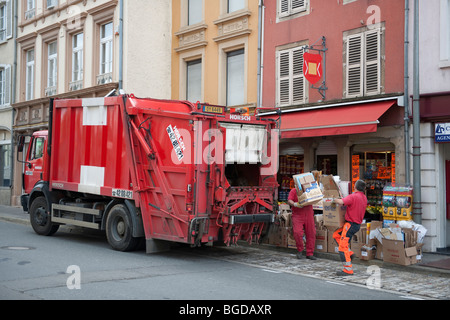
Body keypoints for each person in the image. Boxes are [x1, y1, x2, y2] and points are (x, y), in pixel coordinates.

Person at [332, 179, 368, 276]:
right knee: (336, 235)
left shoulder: (353, 196)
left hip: (350, 225)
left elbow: (341, 202)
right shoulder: (364, 197)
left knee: (342, 247)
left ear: (355, 187)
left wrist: (333, 199)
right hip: (355, 225)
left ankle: (348, 270)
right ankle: (350, 254)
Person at [288, 188, 317, 260]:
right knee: (297, 232)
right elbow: (289, 200)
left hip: (309, 214)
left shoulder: (309, 190)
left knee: (311, 233)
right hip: (297, 214)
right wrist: (295, 204)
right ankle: (300, 250)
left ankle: (310, 253)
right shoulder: (294, 191)